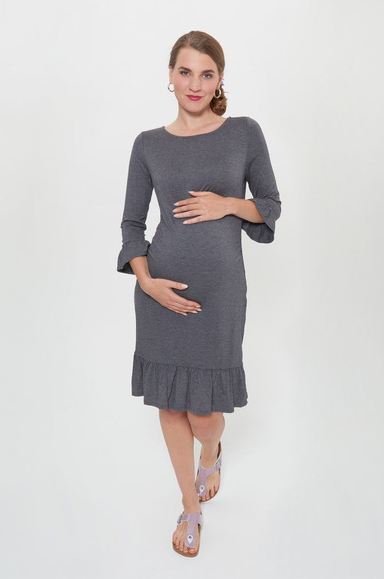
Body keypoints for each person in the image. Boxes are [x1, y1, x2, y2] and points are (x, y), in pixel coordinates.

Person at [116, 30, 282, 557]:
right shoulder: (148, 144)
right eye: (185, 72)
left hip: (221, 292)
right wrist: (147, 282)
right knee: (170, 407)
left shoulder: (243, 133)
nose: (194, 84)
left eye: (206, 74)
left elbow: (270, 206)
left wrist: (226, 203)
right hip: (161, 292)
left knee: (205, 416)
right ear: (170, 76)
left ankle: (211, 454)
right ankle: (190, 506)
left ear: (219, 80)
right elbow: (132, 224)